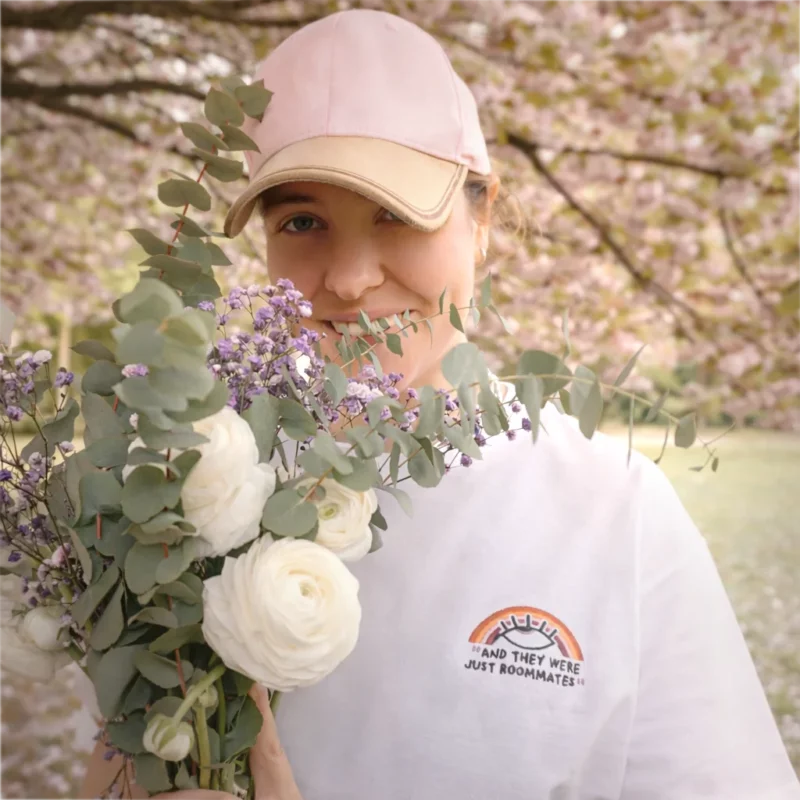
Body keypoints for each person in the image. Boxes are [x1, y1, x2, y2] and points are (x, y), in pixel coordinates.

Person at [81, 9, 800, 800]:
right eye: (303, 221)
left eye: (396, 214)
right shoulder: (182, 486)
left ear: (482, 220)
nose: (349, 278)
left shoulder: (612, 509)